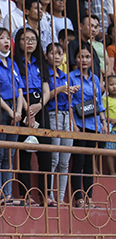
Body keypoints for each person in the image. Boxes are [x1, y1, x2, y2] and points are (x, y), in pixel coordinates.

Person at [13, 27, 52, 206]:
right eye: (24, 39)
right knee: (24, 153)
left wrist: (39, 105)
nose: (28, 42)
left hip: (40, 107)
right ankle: (26, 194)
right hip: (23, 105)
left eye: (32, 39)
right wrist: (28, 110)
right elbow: (18, 89)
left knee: (46, 152)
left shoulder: (41, 63)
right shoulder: (14, 62)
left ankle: (46, 195)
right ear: (18, 41)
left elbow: (46, 90)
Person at [0, 27, 24, 205]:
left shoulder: (13, 63)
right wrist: (10, 110)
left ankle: (8, 194)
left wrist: (19, 111)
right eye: (2, 38)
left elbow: (21, 90)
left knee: (10, 154)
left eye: (8, 38)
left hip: (15, 111)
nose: (7, 41)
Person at [69, 45, 108, 208]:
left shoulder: (95, 79)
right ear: (75, 59)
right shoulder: (71, 77)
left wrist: (104, 121)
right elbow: (69, 104)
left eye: (87, 57)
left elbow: (99, 102)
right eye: (80, 57)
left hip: (94, 124)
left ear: (92, 60)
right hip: (79, 123)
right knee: (78, 161)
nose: (83, 60)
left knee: (90, 164)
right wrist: (73, 125)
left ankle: (89, 198)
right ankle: (78, 198)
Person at [45, 42, 75, 205]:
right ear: (46, 55)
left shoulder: (65, 76)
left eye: (59, 53)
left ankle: (61, 198)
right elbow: (45, 97)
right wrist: (60, 89)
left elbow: (69, 103)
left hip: (66, 116)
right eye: (52, 53)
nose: (56, 56)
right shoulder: (46, 75)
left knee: (65, 160)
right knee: (54, 158)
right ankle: (50, 196)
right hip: (53, 114)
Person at [102, 75, 116, 175]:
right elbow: (101, 114)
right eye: (111, 85)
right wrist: (110, 120)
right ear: (106, 86)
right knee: (110, 151)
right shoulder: (104, 99)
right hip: (111, 129)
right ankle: (112, 172)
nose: (114, 87)